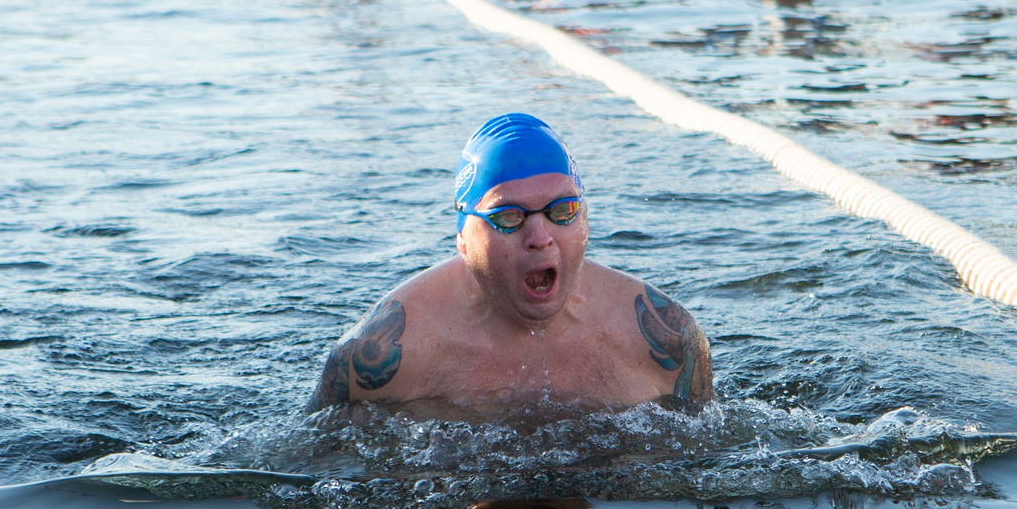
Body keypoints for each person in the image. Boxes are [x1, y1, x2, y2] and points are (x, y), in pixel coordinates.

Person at [306, 113, 714, 417]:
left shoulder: (666, 341)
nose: (540, 237)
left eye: (563, 210)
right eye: (508, 217)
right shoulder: (381, 356)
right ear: (463, 239)